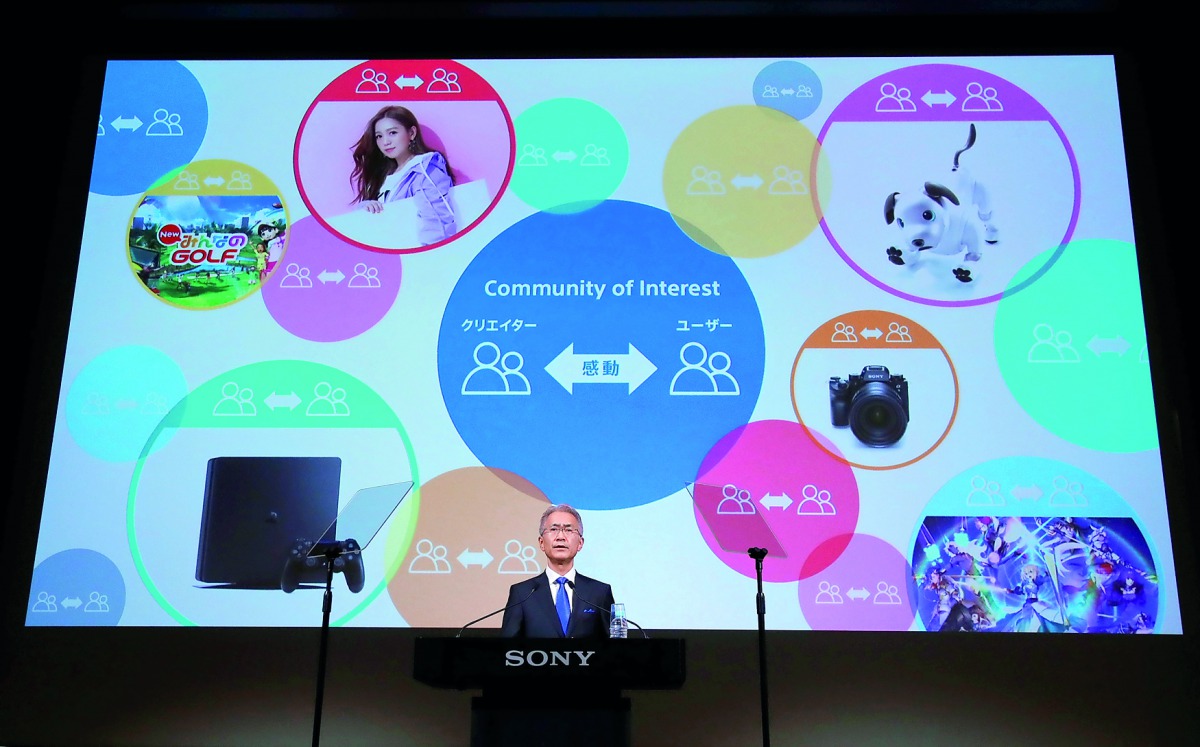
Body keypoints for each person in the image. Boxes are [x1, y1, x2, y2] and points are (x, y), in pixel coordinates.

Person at [500, 504, 614, 639]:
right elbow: (507, 651)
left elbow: (614, 649)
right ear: (541, 542)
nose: (560, 536)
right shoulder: (522, 594)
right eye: (553, 529)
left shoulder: (599, 592)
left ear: (580, 543)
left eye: (568, 530)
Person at [349, 104, 457, 246]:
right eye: (379, 136)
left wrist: (431, 256)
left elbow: (437, 218)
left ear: (411, 133)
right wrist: (365, 208)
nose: (385, 142)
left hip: (421, 256)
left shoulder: (426, 167)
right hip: (393, 256)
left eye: (392, 133)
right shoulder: (383, 177)